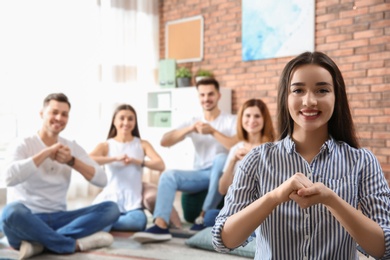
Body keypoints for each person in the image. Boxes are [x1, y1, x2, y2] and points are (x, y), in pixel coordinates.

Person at [212, 51, 390, 259]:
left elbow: (384, 248)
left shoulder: (362, 161)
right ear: (285, 97)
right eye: (298, 90)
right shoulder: (257, 160)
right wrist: (273, 197)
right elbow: (223, 241)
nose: (309, 101)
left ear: (336, 97)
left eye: (322, 90)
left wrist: (332, 200)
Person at [0, 93, 120, 259]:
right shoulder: (23, 143)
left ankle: (41, 244)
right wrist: (45, 153)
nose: (59, 118)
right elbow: (8, 178)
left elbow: (102, 180)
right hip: (27, 218)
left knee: (111, 209)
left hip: (59, 218)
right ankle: (69, 244)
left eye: (64, 114)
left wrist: (72, 161)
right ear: (41, 114)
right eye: (54, 112)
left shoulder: (71, 147)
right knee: (10, 212)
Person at [132, 77, 237, 243]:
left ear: (218, 95)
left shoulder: (230, 120)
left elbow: (236, 145)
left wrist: (212, 132)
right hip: (201, 175)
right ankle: (160, 225)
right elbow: (165, 141)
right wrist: (189, 129)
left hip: (224, 173)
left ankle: (203, 216)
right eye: (202, 95)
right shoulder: (193, 121)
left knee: (221, 158)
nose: (206, 98)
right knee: (168, 175)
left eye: (210, 94)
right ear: (198, 97)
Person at [89, 104, 182, 231]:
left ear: (135, 122)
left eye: (130, 119)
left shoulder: (142, 144)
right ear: (114, 121)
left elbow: (160, 164)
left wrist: (138, 162)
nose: (126, 122)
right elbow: (88, 160)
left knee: (139, 222)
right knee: (100, 217)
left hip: (133, 204)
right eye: (122, 118)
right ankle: (105, 223)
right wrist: (114, 158)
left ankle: (107, 224)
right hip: (109, 200)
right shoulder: (106, 145)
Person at [203, 98, 275, 228]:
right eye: (247, 115)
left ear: (264, 120)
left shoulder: (272, 148)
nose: (252, 120)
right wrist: (232, 161)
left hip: (260, 211)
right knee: (210, 217)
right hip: (237, 211)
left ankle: (247, 232)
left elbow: (271, 188)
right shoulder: (236, 148)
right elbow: (223, 189)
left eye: (257, 116)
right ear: (241, 119)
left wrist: (252, 160)